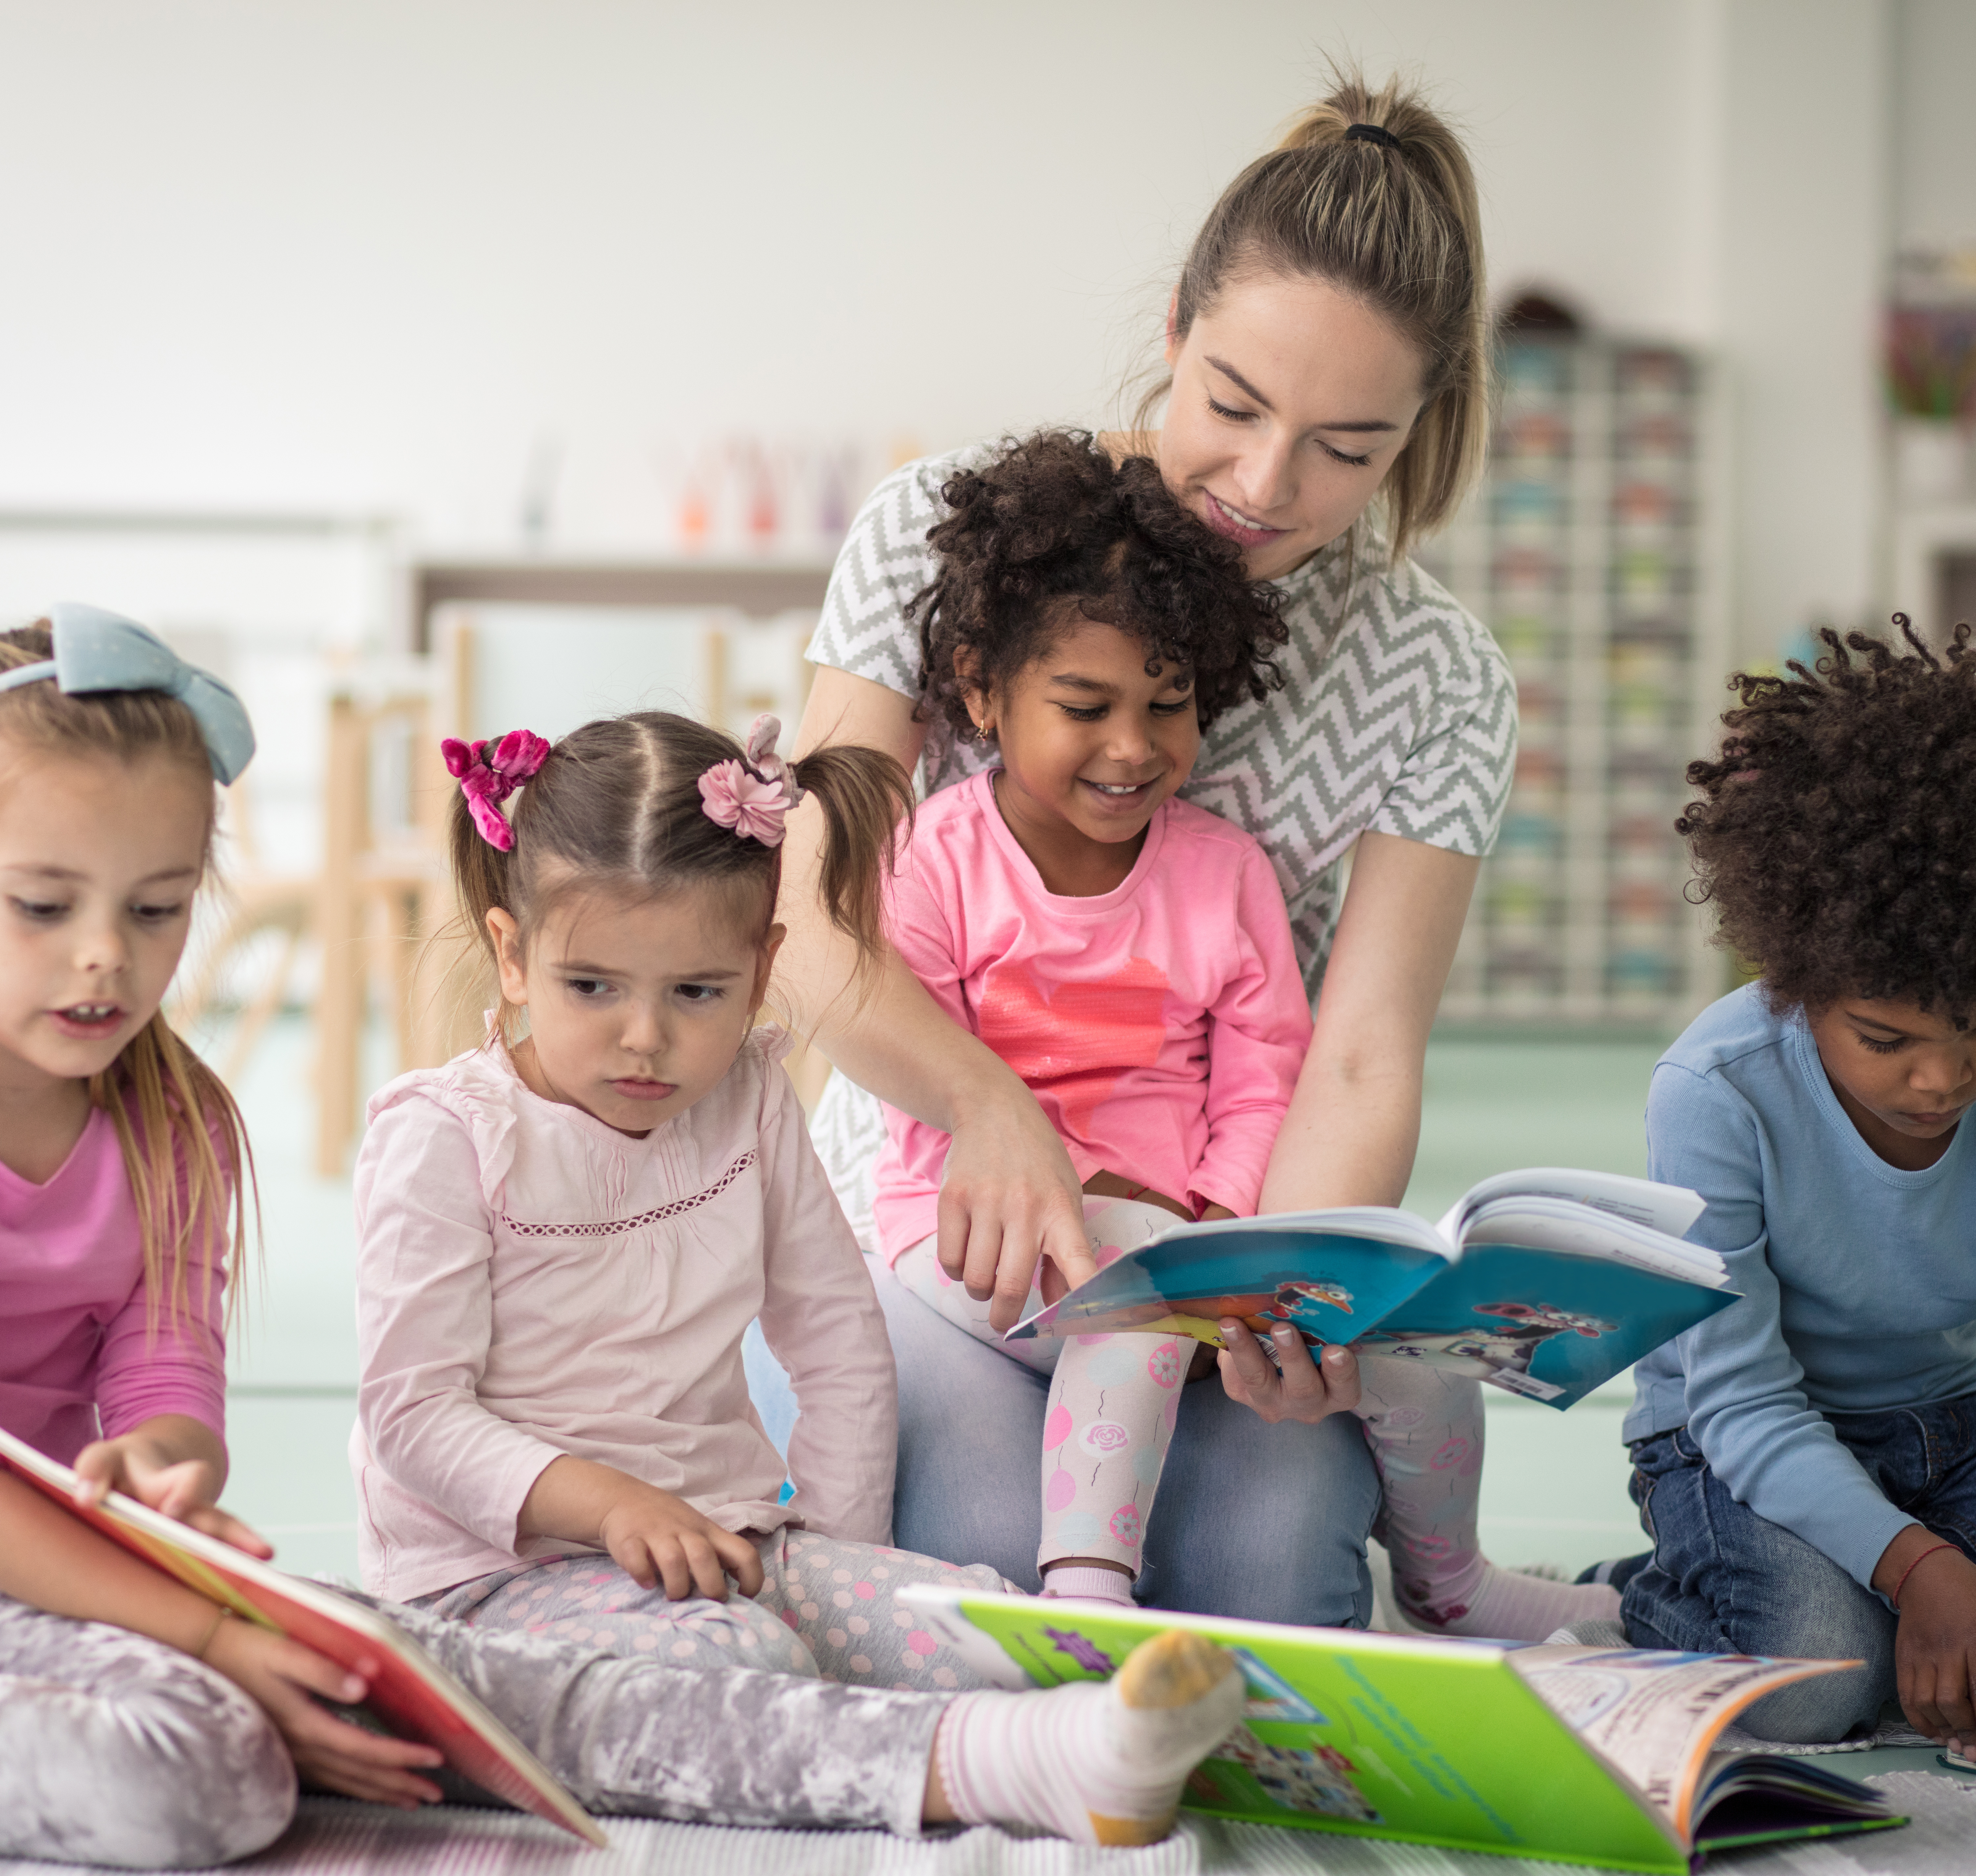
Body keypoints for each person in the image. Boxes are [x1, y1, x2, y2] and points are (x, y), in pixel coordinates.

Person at [0, 611, 1246, 1866]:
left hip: (77, 1568)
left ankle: (1024, 1747)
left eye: (162, 908)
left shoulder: (170, 1112)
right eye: (44, 905)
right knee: (215, 1770)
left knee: (370, 1715)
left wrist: (173, 1480)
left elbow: (163, 1385)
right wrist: (196, 1621)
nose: (110, 958)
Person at [774, 66, 1515, 1625]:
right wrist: (986, 1105)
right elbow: (813, 931)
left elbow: (1360, 1057)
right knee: (980, 1558)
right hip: (938, 1213)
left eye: (1346, 447)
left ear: (1417, 436)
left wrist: (1273, 1289)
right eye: (1233, 405)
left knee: (1267, 1584)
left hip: (1219, 1210)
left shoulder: (1438, 677)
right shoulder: (943, 537)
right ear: (1174, 326)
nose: (1264, 486)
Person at [873, 430, 1618, 1642]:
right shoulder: (935, 861)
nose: (1133, 748)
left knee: (1411, 1349)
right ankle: (1088, 1590)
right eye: (1085, 707)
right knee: (1131, 1282)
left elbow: (1266, 1078)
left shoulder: (1223, 874)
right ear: (978, 689)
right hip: (977, 1246)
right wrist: (1116, 1216)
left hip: (1194, 1247)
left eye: (1169, 708)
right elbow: (932, 1097)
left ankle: (1452, 1585)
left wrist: (1224, 1222)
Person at [1614, 618, 1976, 1755]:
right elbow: (1737, 1400)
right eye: (1885, 1038)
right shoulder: (1713, 1090)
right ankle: (1644, 1589)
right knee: (1819, 1692)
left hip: (1954, 1426)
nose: (1942, 1080)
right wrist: (1922, 1571)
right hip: (1728, 1436)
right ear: (1795, 983)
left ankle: (1904, 1593)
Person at [354, 709, 1004, 1685]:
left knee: (987, 1634)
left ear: (762, 970)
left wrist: (836, 1557)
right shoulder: (446, 1137)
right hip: (498, 1577)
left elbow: (838, 1350)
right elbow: (412, 1420)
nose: (644, 1039)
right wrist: (615, 1505)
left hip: (727, 1542)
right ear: (513, 955)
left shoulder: (748, 1095)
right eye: (593, 988)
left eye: (697, 992)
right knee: (746, 1663)